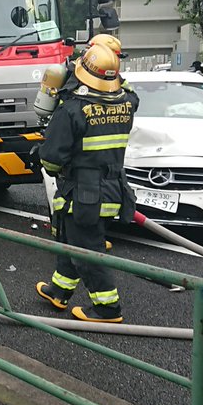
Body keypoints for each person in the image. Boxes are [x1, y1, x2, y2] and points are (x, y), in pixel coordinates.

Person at [35, 44, 137, 323]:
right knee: (70, 240)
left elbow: (52, 161)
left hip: (83, 192)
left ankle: (107, 308)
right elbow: (127, 89)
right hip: (112, 187)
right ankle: (59, 290)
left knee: (86, 250)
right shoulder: (127, 102)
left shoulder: (72, 110)